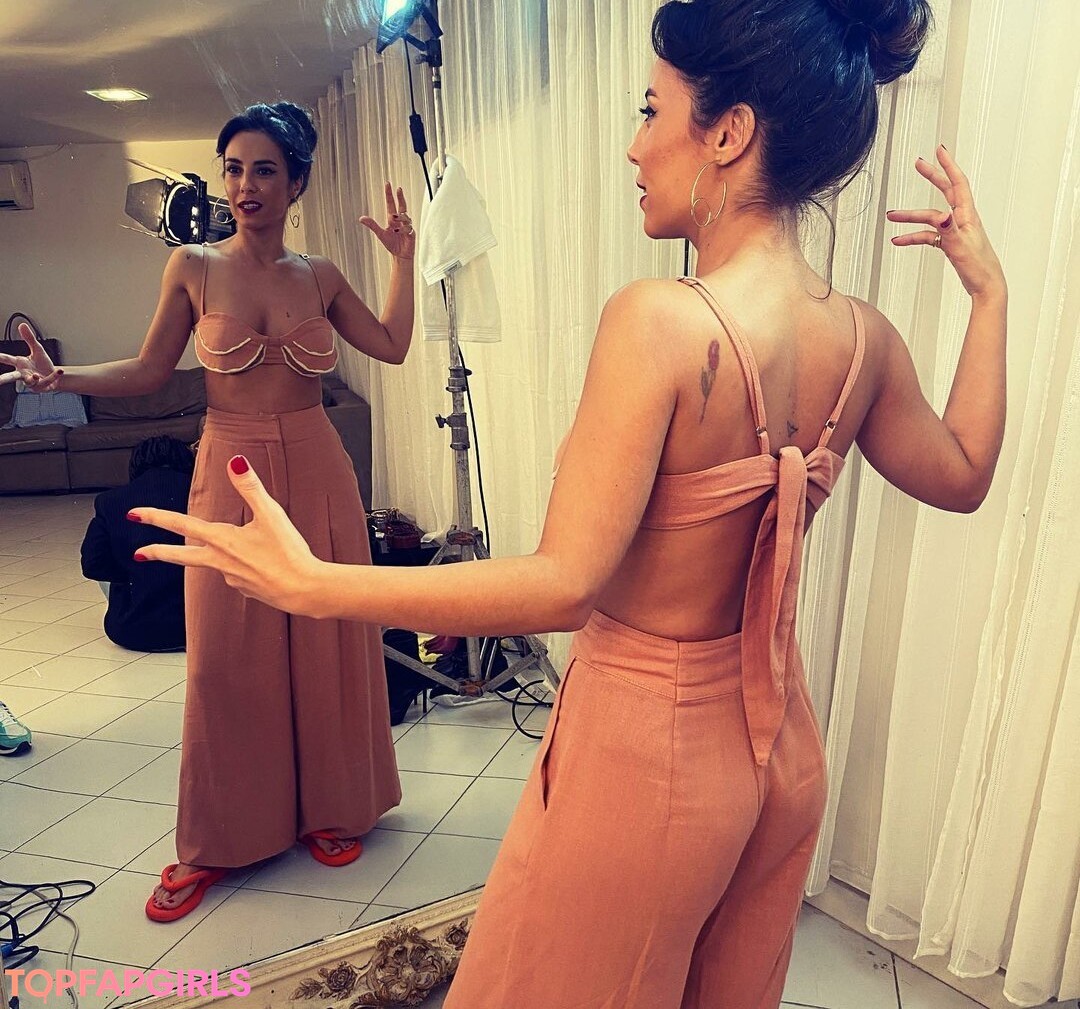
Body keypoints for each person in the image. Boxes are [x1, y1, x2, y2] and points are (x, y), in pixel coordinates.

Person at [129, 0, 1007, 1004]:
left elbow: (562, 583)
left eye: (651, 110)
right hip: (778, 754)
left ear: (728, 133)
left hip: (646, 766)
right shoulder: (862, 336)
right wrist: (989, 295)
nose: (634, 145)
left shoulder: (660, 319)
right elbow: (964, 474)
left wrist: (321, 585)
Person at [0, 101, 414, 923]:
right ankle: (219, 838)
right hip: (230, 467)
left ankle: (333, 806)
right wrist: (61, 378)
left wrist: (403, 262)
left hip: (318, 466)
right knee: (224, 651)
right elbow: (150, 369)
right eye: (233, 168)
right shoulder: (191, 266)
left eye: (263, 169)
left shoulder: (321, 275)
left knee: (329, 637)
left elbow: (393, 346)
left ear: (296, 182)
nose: (244, 185)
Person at [80, 436, 196, 652]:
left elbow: (92, 564)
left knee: (109, 551)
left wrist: (133, 573)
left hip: (133, 632)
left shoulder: (110, 500)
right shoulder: (203, 496)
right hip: (202, 631)